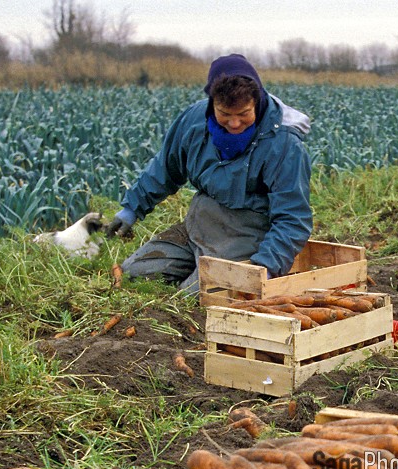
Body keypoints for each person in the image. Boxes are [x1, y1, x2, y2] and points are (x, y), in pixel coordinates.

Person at [104, 54, 313, 292]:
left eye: (243, 114)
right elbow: (165, 168)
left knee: (193, 299)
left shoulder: (284, 143)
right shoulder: (194, 121)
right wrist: (132, 209)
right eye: (225, 114)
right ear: (212, 103)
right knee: (134, 275)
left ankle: (194, 285)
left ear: (256, 101)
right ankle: (191, 270)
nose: (234, 123)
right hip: (199, 227)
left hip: (249, 237)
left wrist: (264, 267)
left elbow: (292, 219)